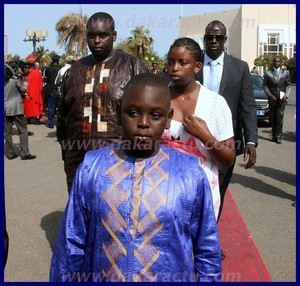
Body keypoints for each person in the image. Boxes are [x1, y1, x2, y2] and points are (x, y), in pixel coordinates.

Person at [49, 73, 222, 282]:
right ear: (120, 112)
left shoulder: (190, 173)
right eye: (133, 113)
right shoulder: (92, 168)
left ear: (168, 119)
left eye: (155, 115)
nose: (143, 123)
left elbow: (206, 249)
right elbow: (71, 242)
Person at [57, 12, 148, 193]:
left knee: (118, 212)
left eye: (103, 35)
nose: (96, 40)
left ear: (113, 36)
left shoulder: (132, 66)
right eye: (91, 36)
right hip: (79, 159)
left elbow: (147, 115)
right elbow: (63, 116)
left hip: (121, 158)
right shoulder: (74, 70)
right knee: (81, 211)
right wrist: (67, 152)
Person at [196, 20, 258, 259]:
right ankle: (188, 238)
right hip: (192, 140)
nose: (214, 41)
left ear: (224, 40)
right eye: (210, 37)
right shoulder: (193, 63)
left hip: (226, 142)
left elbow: (247, 107)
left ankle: (208, 241)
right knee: (191, 191)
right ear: (204, 38)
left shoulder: (239, 68)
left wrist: (251, 141)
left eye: (218, 38)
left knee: (216, 193)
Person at [161, 37, 235, 220]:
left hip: (199, 195)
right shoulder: (157, 98)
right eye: (171, 62)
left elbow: (228, 158)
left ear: (197, 66)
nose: (174, 68)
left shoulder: (214, 103)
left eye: (182, 62)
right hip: (159, 192)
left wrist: (205, 136)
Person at [4, 62, 36, 160]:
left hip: (5, 109)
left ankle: (10, 153)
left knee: (7, 132)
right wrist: (25, 83)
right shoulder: (15, 80)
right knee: (23, 130)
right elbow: (23, 90)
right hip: (16, 109)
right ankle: (24, 153)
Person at [262, 55, 291, 144]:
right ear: (273, 62)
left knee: (280, 117)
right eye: (275, 61)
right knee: (273, 118)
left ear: (281, 62)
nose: (276, 63)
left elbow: (288, 85)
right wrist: (270, 95)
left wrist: (286, 95)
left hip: (282, 99)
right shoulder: (267, 72)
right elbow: (265, 86)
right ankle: (274, 135)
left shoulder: (286, 72)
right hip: (272, 99)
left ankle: (278, 136)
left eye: (278, 61)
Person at [22, 54, 44, 125]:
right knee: (36, 105)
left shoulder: (26, 74)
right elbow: (41, 83)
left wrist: (25, 92)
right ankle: (37, 119)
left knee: (28, 105)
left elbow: (24, 84)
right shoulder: (38, 72)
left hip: (28, 93)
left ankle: (28, 119)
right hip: (37, 92)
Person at [43, 55, 61, 128]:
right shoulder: (61, 69)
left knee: (50, 107)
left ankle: (51, 123)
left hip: (50, 90)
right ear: (58, 61)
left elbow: (45, 78)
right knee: (60, 107)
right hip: (59, 90)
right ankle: (59, 122)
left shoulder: (47, 69)